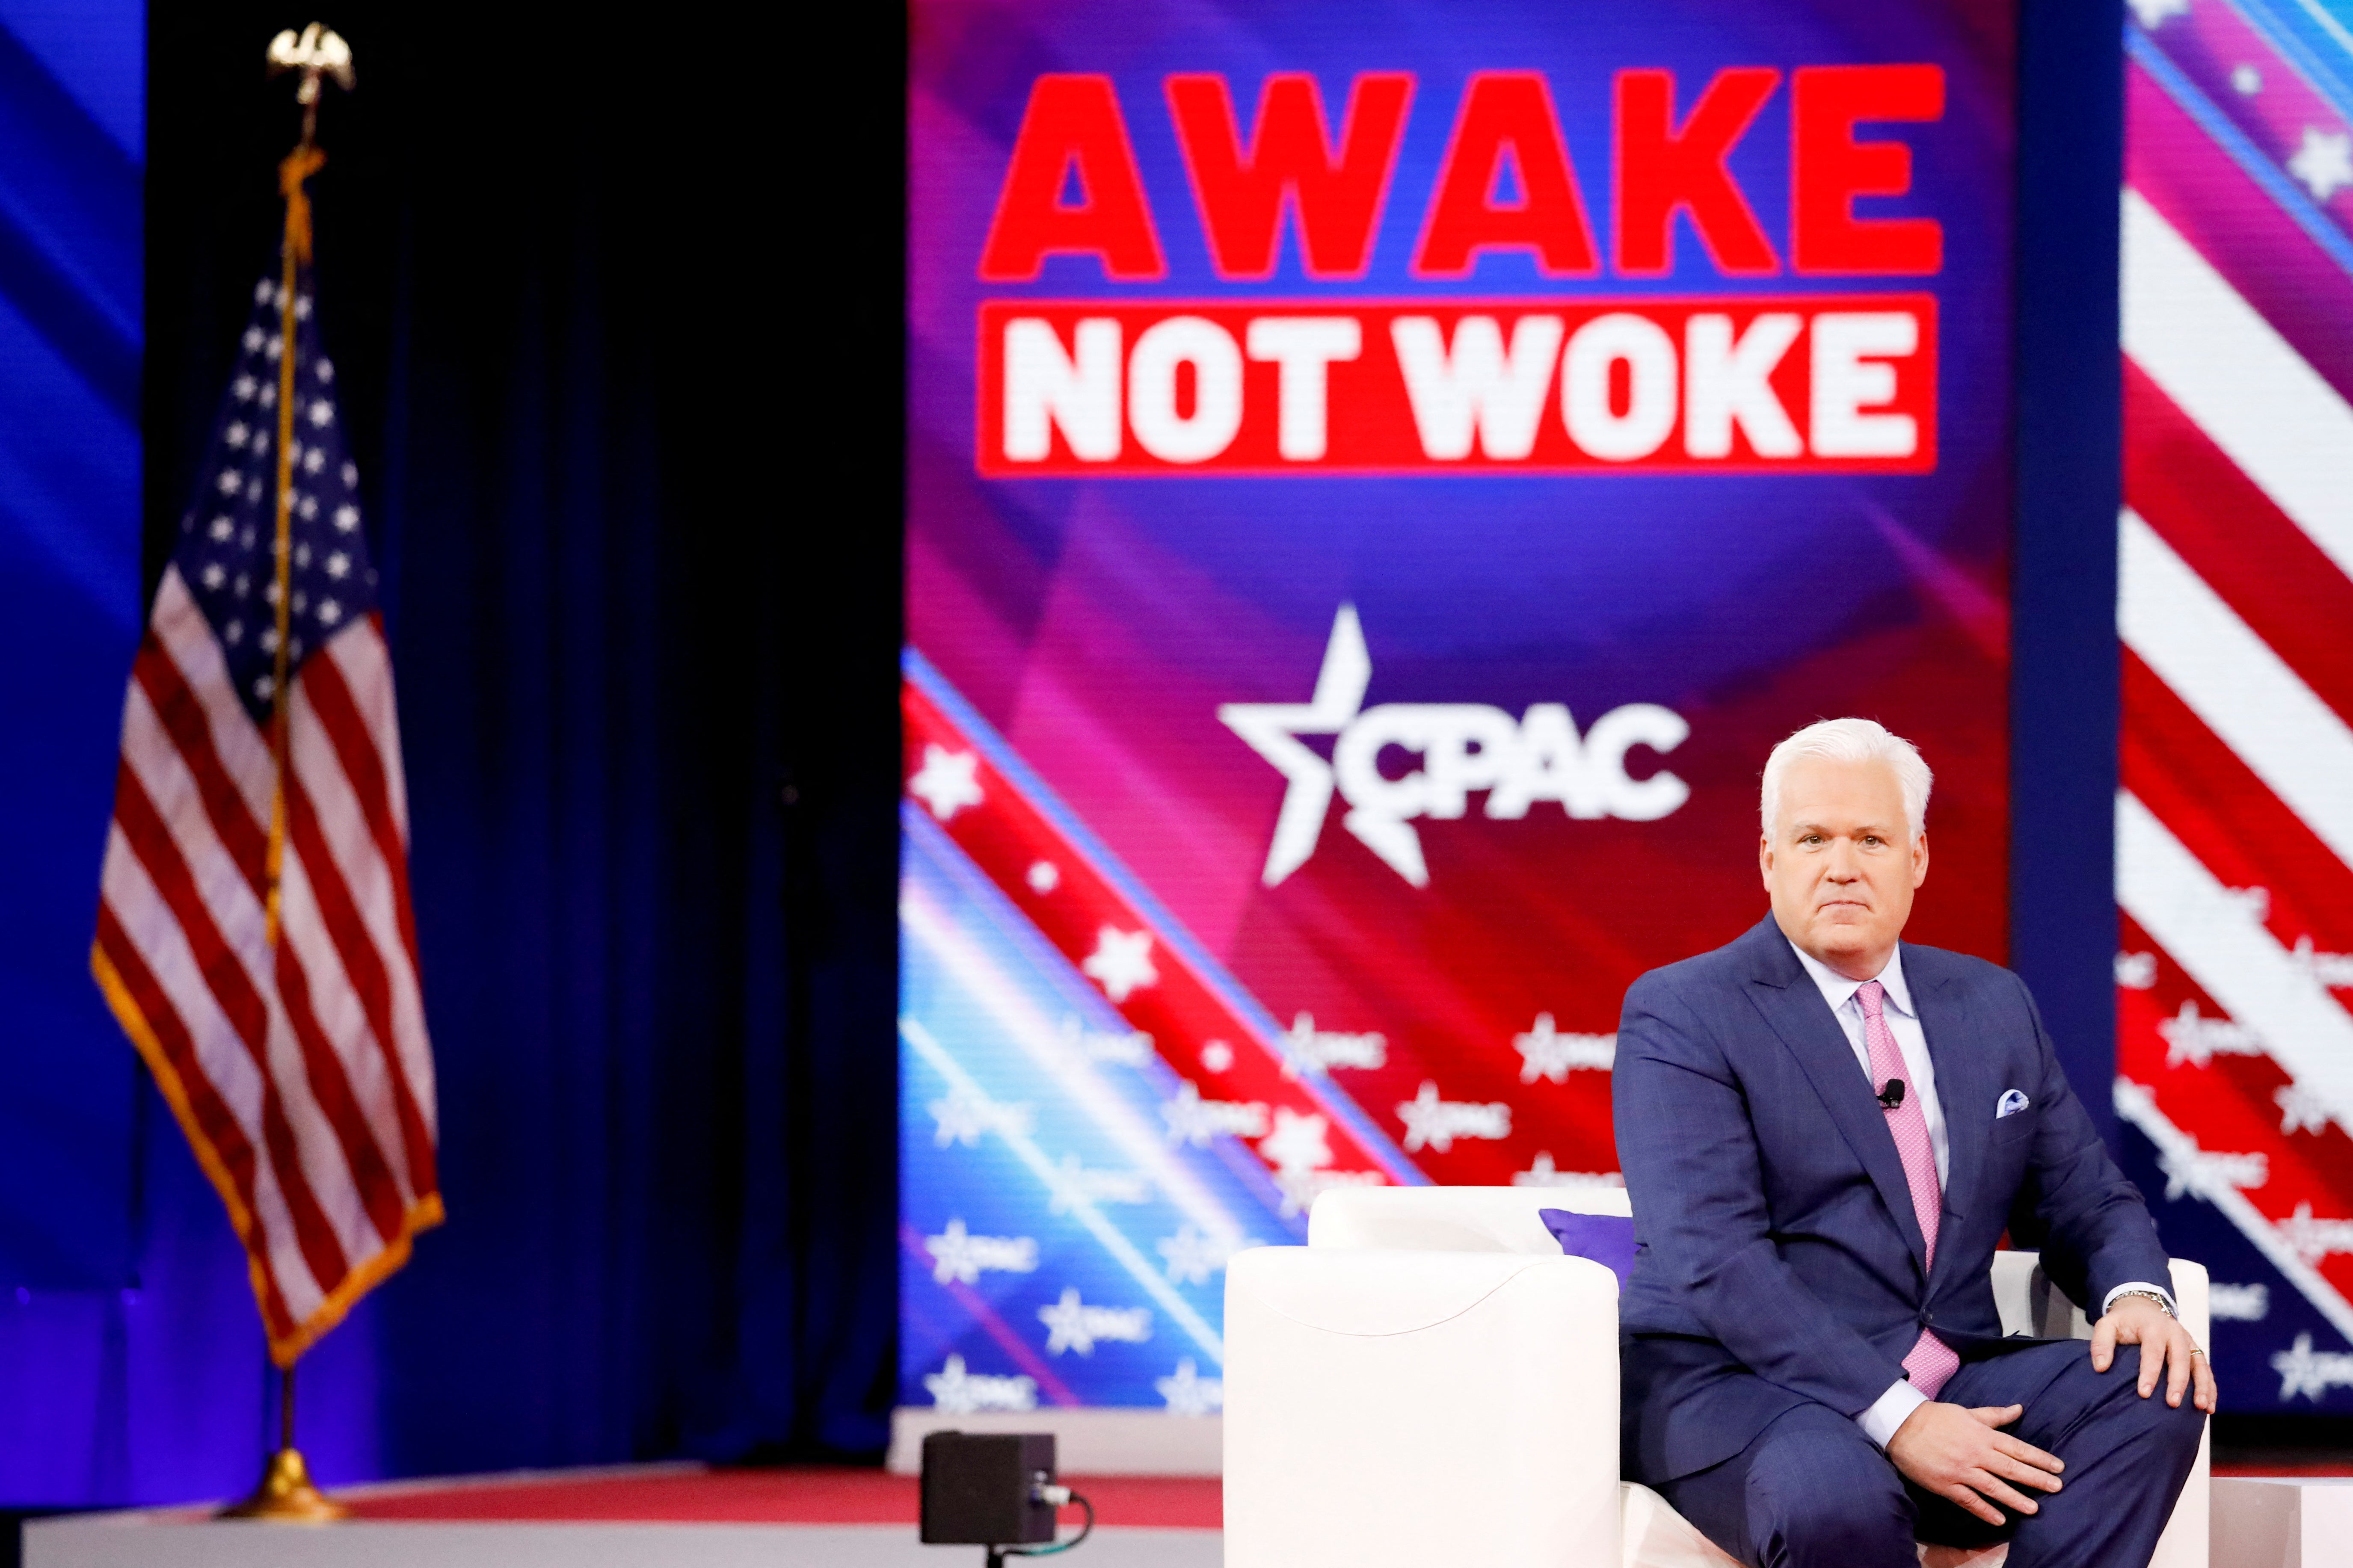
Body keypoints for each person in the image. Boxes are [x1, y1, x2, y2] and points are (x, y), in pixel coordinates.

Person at [1613, 718, 2211, 1568]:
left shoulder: (1989, 1004)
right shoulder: (1684, 1011)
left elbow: (2084, 1197)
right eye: (1812, 838)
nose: (1841, 866)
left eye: (1869, 838)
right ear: (1768, 859)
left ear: (1917, 858)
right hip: (1741, 1387)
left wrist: (2136, 1301)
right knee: (1837, 1492)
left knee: (2151, 1391)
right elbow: (1714, 1258)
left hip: (1951, 1368)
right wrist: (1900, 1421)